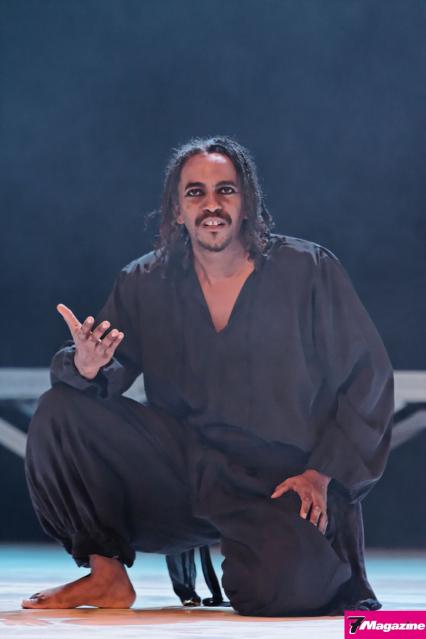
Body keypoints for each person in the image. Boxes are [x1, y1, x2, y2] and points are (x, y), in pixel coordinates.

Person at [22, 136, 394, 615]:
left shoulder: (308, 270)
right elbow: (106, 368)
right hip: (184, 475)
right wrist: (87, 365)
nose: (211, 205)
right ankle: (106, 575)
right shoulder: (145, 281)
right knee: (61, 409)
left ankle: (271, 551)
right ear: (177, 210)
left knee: (282, 592)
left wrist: (322, 473)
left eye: (226, 190)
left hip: (282, 484)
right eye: (195, 193)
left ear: (247, 203)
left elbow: (368, 380)